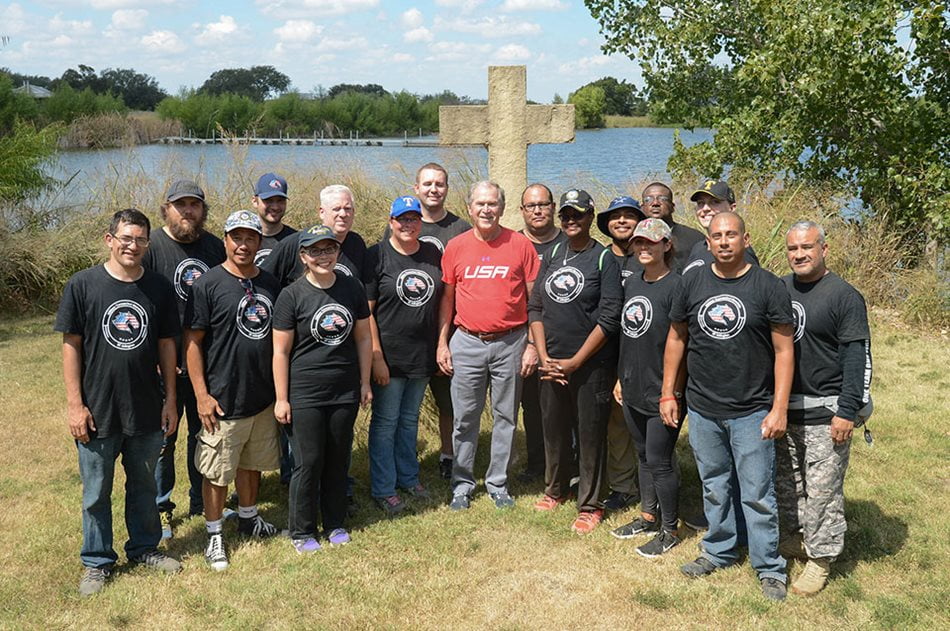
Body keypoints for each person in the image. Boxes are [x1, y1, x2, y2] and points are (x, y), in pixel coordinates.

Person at [660, 211, 794, 601]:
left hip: (753, 408)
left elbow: (784, 350)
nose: (723, 241)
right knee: (715, 486)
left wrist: (779, 407)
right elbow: (676, 339)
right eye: (716, 235)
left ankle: (768, 566)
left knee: (757, 492)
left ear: (745, 239)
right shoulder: (692, 281)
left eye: (731, 235)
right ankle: (719, 550)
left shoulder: (768, 286)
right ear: (707, 241)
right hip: (703, 407)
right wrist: (670, 391)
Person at [56, 208, 183, 597]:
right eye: (126, 238)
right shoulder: (83, 285)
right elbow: (71, 346)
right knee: (96, 491)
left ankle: (144, 548)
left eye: (140, 239)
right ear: (109, 239)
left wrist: (171, 402)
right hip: (98, 409)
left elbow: (166, 346)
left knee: (144, 484)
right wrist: (75, 405)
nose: (133, 245)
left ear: (147, 243)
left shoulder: (158, 288)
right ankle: (97, 561)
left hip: (145, 405)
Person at [776, 220, 872, 596]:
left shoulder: (843, 296)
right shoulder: (781, 289)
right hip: (786, 409)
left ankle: (821, 559)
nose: (799, 254)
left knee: (823, 491)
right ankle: (798, 541)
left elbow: (856, 359)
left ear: (824, 249)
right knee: (790, 485)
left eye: (807, 247)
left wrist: (848, 410)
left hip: (827, 412)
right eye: (793, 249)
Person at [183, 211, 282, 572]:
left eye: (251, 238)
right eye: (236, 237)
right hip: (223, 398)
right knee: (217, 470)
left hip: (260, 396)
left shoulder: (271, 284)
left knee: (252, 463)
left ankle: (249, 517)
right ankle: (214, 534)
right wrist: (201, 395)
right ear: (225, 240)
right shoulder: (207, 285)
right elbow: (192, 343)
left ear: (259, 243)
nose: (243, 244)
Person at [437, 180, 540, 510]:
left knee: (505, 417)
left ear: (502, 208)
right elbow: (447, 300)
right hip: (466, 341)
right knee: (465, 417)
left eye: (492, 204)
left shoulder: (520, 245)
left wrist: (533, 345)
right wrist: (443, 342)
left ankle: (498, 482)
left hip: (511, 342)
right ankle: (462, 483)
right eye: (480, 204)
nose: (486, 209)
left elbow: (534, 299)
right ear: (470, 208)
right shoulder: (456, 246)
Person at [272, 225, 372, 552]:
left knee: (337, 459)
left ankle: (334, 523)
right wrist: (282, 398)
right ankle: (302, 531)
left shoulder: (352, 288)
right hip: (305, 393)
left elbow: (363, 338)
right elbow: (281, 352)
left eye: (329, 249)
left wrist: (365, 382)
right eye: (315, 250)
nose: (323, 256)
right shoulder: (291, 295)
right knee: (308, 462)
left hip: (343, 390)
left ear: (337, 253)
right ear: (303, 256)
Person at [528, 189, 622, 534]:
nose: (570, 220)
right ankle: (556, 489)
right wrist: (544, 356)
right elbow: (535, 306)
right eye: (566, 215)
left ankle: (590, 504)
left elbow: (610, 317)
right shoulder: (552, 253)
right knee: (553, 430)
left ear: (589, 217)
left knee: (589, 435)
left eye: (578, 215)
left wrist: (577, 361)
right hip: (551, 362)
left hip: (590, 365)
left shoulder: (603, 259)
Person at [144, 180, 226, 537]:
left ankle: (200, 498)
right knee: (165, 439)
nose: (188, 211)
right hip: (164, 363)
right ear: (167, 209)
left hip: (206, 363)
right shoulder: (153, 247)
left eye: (194, 205)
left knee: (203, 432)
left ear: (203, 210)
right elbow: (140, 303)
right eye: (181, 205)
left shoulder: (214, 248)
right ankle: (161, 506)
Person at [383, 164, 471, 479]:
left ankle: (449, 455)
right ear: (417, 187)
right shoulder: (401, 224)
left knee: (449, 400)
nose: (433, 189)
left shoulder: (460, 228)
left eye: (440, 184)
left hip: (451, 328)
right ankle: (397, 462)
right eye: (427, 184)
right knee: (403, 409)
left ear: (447, 188)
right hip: (408, 335)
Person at [610, 218, 686, 556]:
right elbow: (630, 335)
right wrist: (620, 377)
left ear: (666, 245)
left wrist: (670, 392)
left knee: (660, 460)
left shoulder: (677, 286)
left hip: (663, 390)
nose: (644, 248)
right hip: (632, 385)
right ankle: (647, 515)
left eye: (651, 243)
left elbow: (681, 341)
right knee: (642, 454)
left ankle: (670, 529)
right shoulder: (635, 283)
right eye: (639, 243)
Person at [366, 196, 444, 514]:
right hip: (390, 356)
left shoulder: (432, 253)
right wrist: (376, 357)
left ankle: (408, 478)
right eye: (402, 219)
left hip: (421, 355)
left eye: (413, 219)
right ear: (391, 222)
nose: (407, 224)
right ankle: (384, 487)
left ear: (420, 222)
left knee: (409, 420)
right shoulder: (377, 255)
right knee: (386, 423)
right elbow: (367, 313)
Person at [595, 195, 643, 512]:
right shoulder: (599, 258)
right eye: (616, 216)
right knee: (610, 420)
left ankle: (642, 485)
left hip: (641, 351)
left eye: (629, 216)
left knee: (638, 421)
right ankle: (615, 483)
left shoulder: (649, 257)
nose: (622, 221)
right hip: (604, 351)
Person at [517, 183, 567, 481]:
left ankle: (567, 465)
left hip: (564, 339)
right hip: (522, 341)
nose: (537, 210)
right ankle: (537, 464)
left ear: (552, 207)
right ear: (522, 211)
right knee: (532, 407)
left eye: (543, 204)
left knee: (564, 408)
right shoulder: (513, 243)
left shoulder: (569, 241)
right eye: (531, 206)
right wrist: (530, 342)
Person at [261, 184, 370, 288]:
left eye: (347, 208)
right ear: (321, 212)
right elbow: (261, 279)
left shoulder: (356, 243)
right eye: (336, 209)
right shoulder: (295, 243)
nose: (342, 214)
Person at [682, 179, 760, 274]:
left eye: (715, 202)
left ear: (732, 208)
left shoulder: (738, 252)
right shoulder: (698, 247)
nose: (705, 208)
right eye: (700, 203)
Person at [639, 181, 705, 274]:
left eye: (663, 198)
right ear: (642, 207)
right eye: (648, 199)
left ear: (672, 207)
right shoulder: (635, 240)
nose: (655, 203)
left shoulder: (695, 238)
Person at [251, 172, 297, 267]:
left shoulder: (296, 240)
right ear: (255, 201)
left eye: (280, 201)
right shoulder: (243, 240)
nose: (275, 207)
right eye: (268, 200)